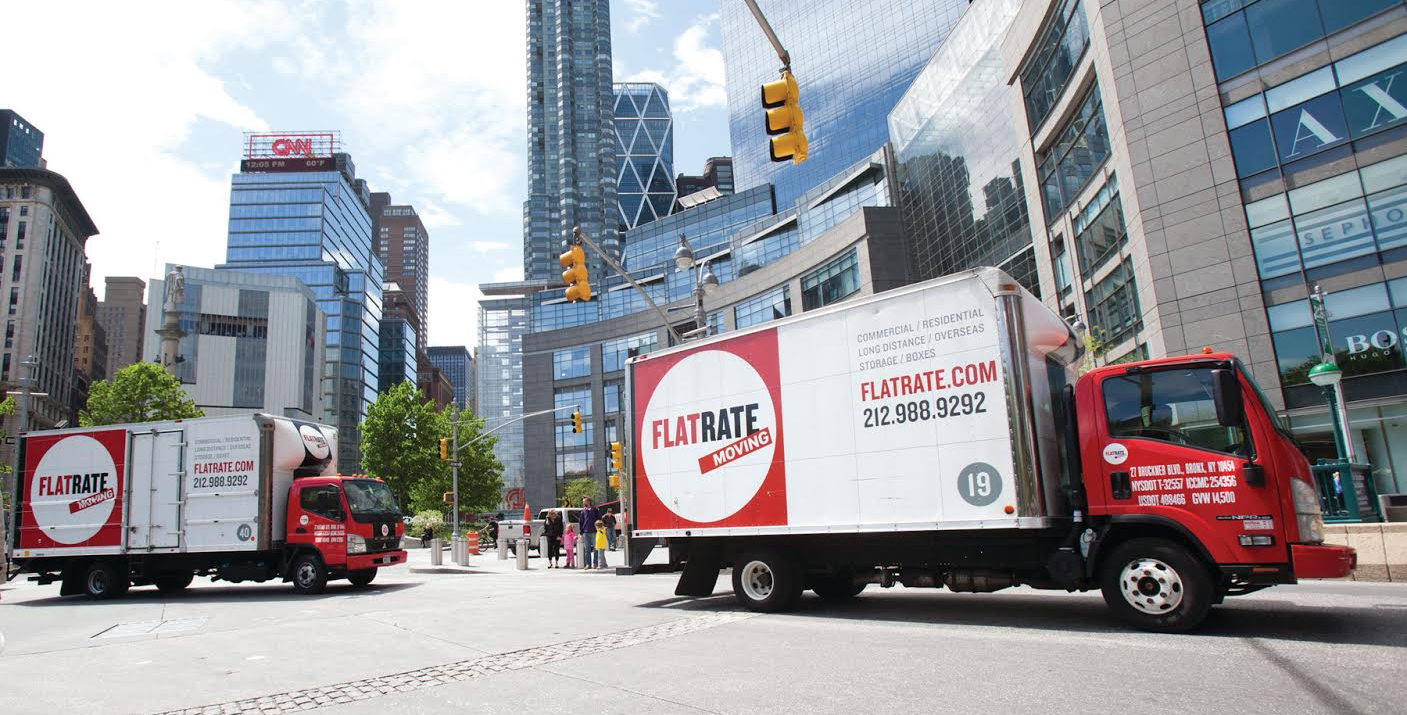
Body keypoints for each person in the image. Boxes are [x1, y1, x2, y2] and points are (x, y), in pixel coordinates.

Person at [579, 497, 601, 569]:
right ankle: (588, 564)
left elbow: (599, 519)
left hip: (594, 531)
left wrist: (599, 529)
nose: (583, 503)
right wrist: (581, 532)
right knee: (587, 549)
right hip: (585, 532)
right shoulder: (582, 511)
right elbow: (581, 522)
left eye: (584, 501)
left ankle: (595, 563)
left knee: (595, 548)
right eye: (583, 501)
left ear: (589, 502)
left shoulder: (595, 510)